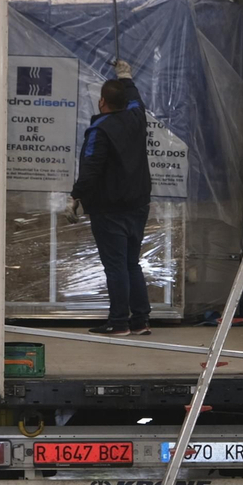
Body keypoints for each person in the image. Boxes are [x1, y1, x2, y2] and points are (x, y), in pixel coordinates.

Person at [71, 60, 153, 336]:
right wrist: (126, 77)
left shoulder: (100, 130)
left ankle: (118, 323)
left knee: (116, 265)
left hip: (109, 209)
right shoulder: (136, 117)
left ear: (101, 101)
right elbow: (136, 99)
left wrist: (76, 197)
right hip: (138, 205)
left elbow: (91, 167)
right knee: (131, 263)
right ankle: (140, 321)